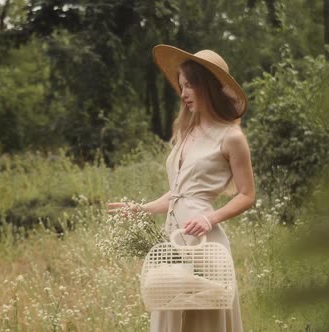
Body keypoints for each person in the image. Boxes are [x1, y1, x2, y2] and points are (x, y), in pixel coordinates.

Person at [108, 44, 255, 332]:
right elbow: (178, 194)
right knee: (169, 316)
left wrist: (209, 218)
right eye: (181, 86)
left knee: (204, 322)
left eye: (191, 85)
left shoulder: (231, 137)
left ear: (209, 87)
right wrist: (140, 209)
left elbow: (247, 195)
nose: (184, 93)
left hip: (205, 244)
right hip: (171, 241)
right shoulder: (185, 132)